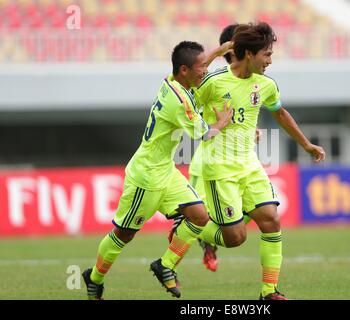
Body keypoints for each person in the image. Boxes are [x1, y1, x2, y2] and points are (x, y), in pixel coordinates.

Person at [82, 41, 233, 300]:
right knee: (124, 235)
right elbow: (206, 134)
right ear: (184, 70)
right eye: (201, 68)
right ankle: (94, 278)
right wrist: (222, 121)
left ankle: (164, 265)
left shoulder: (171, 80)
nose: (205, 71)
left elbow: (198, 63)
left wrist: (219, 51)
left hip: (165, 170)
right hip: (147, 177)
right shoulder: (181, 102)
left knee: (199, 216)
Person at [191, 22, 326, 300]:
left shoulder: (265, 85)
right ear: (249, 54)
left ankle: (269, 292)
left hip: (250, 165)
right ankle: (193, 227)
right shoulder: (214, 81)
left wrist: (306, 144)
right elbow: (187, 97)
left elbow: (280, 114)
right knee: (236, 238)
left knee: (271, 220)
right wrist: (211, 126)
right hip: (219, 168)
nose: (270, 60)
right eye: (266, 54)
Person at [168, 24, 258, 273]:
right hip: (209, 163)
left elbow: (240, 113)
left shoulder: (244, 80)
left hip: (235, 163)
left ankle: (204, 246)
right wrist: (218, 51)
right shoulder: (211, 79)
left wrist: (247, 130)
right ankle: (169, 267)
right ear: (234, 48)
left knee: (246, 212)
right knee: (199, 218)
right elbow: (185, 84)